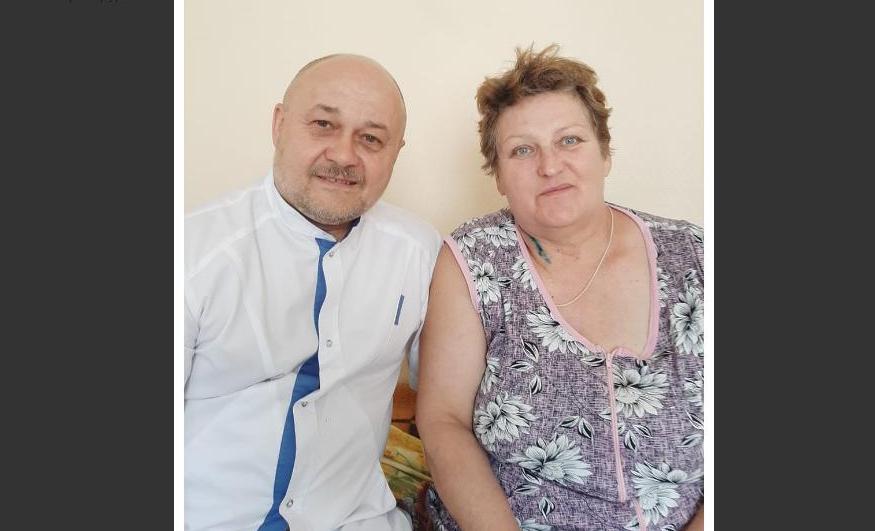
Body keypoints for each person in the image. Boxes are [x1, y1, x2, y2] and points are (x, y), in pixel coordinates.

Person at [415, 45, 704, 530]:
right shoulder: (473, 260)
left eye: (569, 140)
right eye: (522, 150)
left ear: (605, 153)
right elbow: (444, 422)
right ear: (498, 175)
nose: (550, 166)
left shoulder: (695, 254)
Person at [184, 54, 440, 531]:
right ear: (279, 124)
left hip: (357, 521)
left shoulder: (419, 253)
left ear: (396, 152)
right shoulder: (192, 252)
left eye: (371, 138)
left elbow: (451, 404)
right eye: (324, 124)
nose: (343, 156)